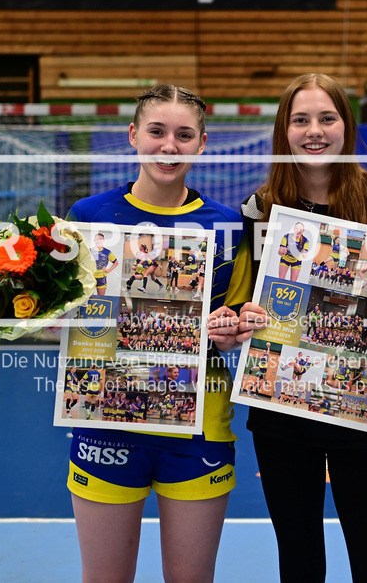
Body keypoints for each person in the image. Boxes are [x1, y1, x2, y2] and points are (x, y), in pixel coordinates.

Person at [66, 84, 251, 583]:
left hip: (198, 426)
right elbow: (67, 315)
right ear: (133, 135)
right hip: (105, 418)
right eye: (157, 131)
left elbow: (237, 320)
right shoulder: (86, 218)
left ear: (203, 144)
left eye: (184, 135)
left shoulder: (228, 225)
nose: (170, 146)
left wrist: (232, 330)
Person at [236, 72, 367, 583]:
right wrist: (247, 317)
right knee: (299, 560)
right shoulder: (260, 208)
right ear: (283, 131)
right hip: (282, 409)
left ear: (346, 125)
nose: (314, 130)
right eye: (300, 120)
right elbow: (248, 299)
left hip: (365, 405)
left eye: (326, 118)